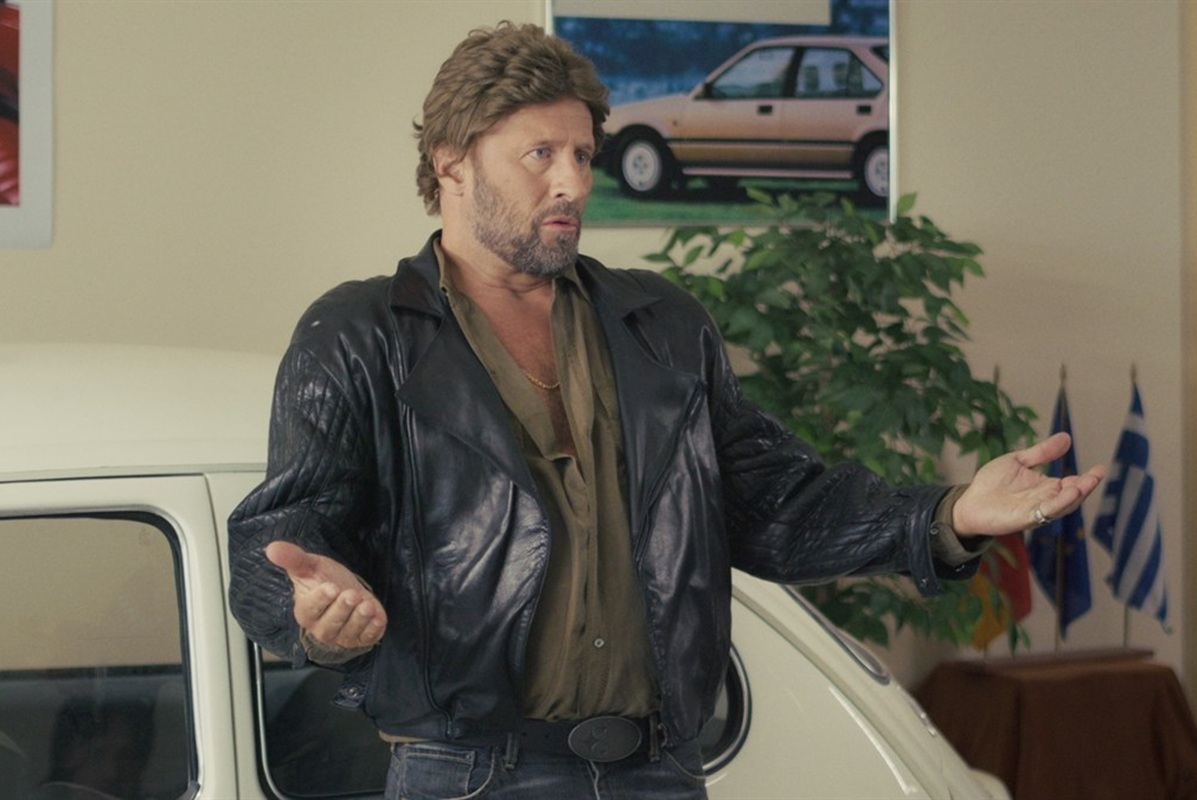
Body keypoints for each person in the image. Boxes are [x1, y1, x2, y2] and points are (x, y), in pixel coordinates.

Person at [227, 21, 1104, 799]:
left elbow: (775, 504)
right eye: (540, 155)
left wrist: (950, 514)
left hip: (657, 772)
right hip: (465, 775)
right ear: (452, 162)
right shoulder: (358, 333)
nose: (572, 183)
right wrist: (308, 608)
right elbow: (281, 537)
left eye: (582, 155)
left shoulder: (663, 325)